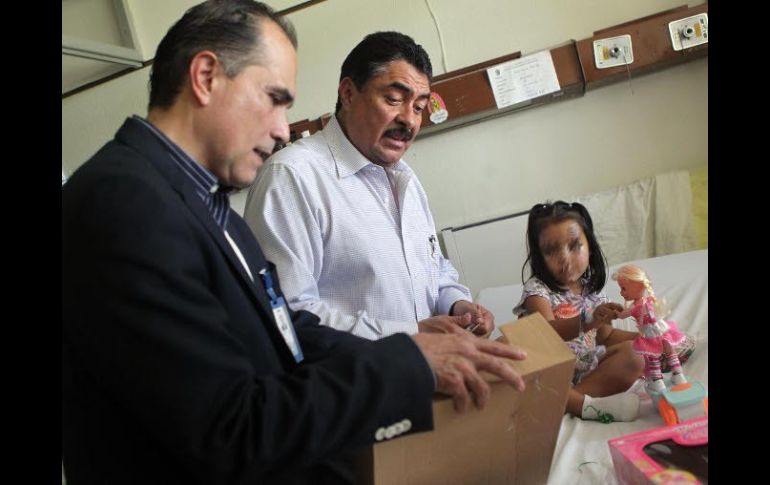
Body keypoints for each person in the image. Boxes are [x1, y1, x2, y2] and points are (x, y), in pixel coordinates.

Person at [62, 2, 527, 484]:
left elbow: (285, 331)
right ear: (205, 77)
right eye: (274, 99)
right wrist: (407, 361)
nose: (284, 129)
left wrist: (415, 347)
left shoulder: (206, 204)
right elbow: (230, 429)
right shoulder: (125, 204)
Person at [243, 31, 494, 341]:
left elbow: (432, 269)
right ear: (348, 94)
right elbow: (290, 314)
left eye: (418, 107)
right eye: (394, 99)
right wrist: (410, 335)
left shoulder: (406, 181)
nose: (409, 121)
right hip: (352, 384)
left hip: (428, 374)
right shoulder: (292, 178)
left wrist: (456, 305)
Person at [513, 201, 645, 422]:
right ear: (539, 257)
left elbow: (606, 337)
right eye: (551, 250)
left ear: (590, 246)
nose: (564, 258)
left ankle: (572, 403)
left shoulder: (593, 293)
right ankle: (586, 406)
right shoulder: (537, 290)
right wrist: (586, 321)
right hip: (548, 374)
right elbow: (545, 334)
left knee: (636, 355)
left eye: (574, 246)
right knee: (511, 360)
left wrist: (647, 339)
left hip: (585, 374)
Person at [612, 264, 688, 394]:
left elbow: (621, 316)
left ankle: (657, 381)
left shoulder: (634, 307)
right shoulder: (649, 300)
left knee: (653, 356)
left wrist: (615, 313)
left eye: (623, 289)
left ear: (638, 287)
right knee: (670, 351)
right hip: (662, 329)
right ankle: (678, 374)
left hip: (650, 334)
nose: (621, 293)